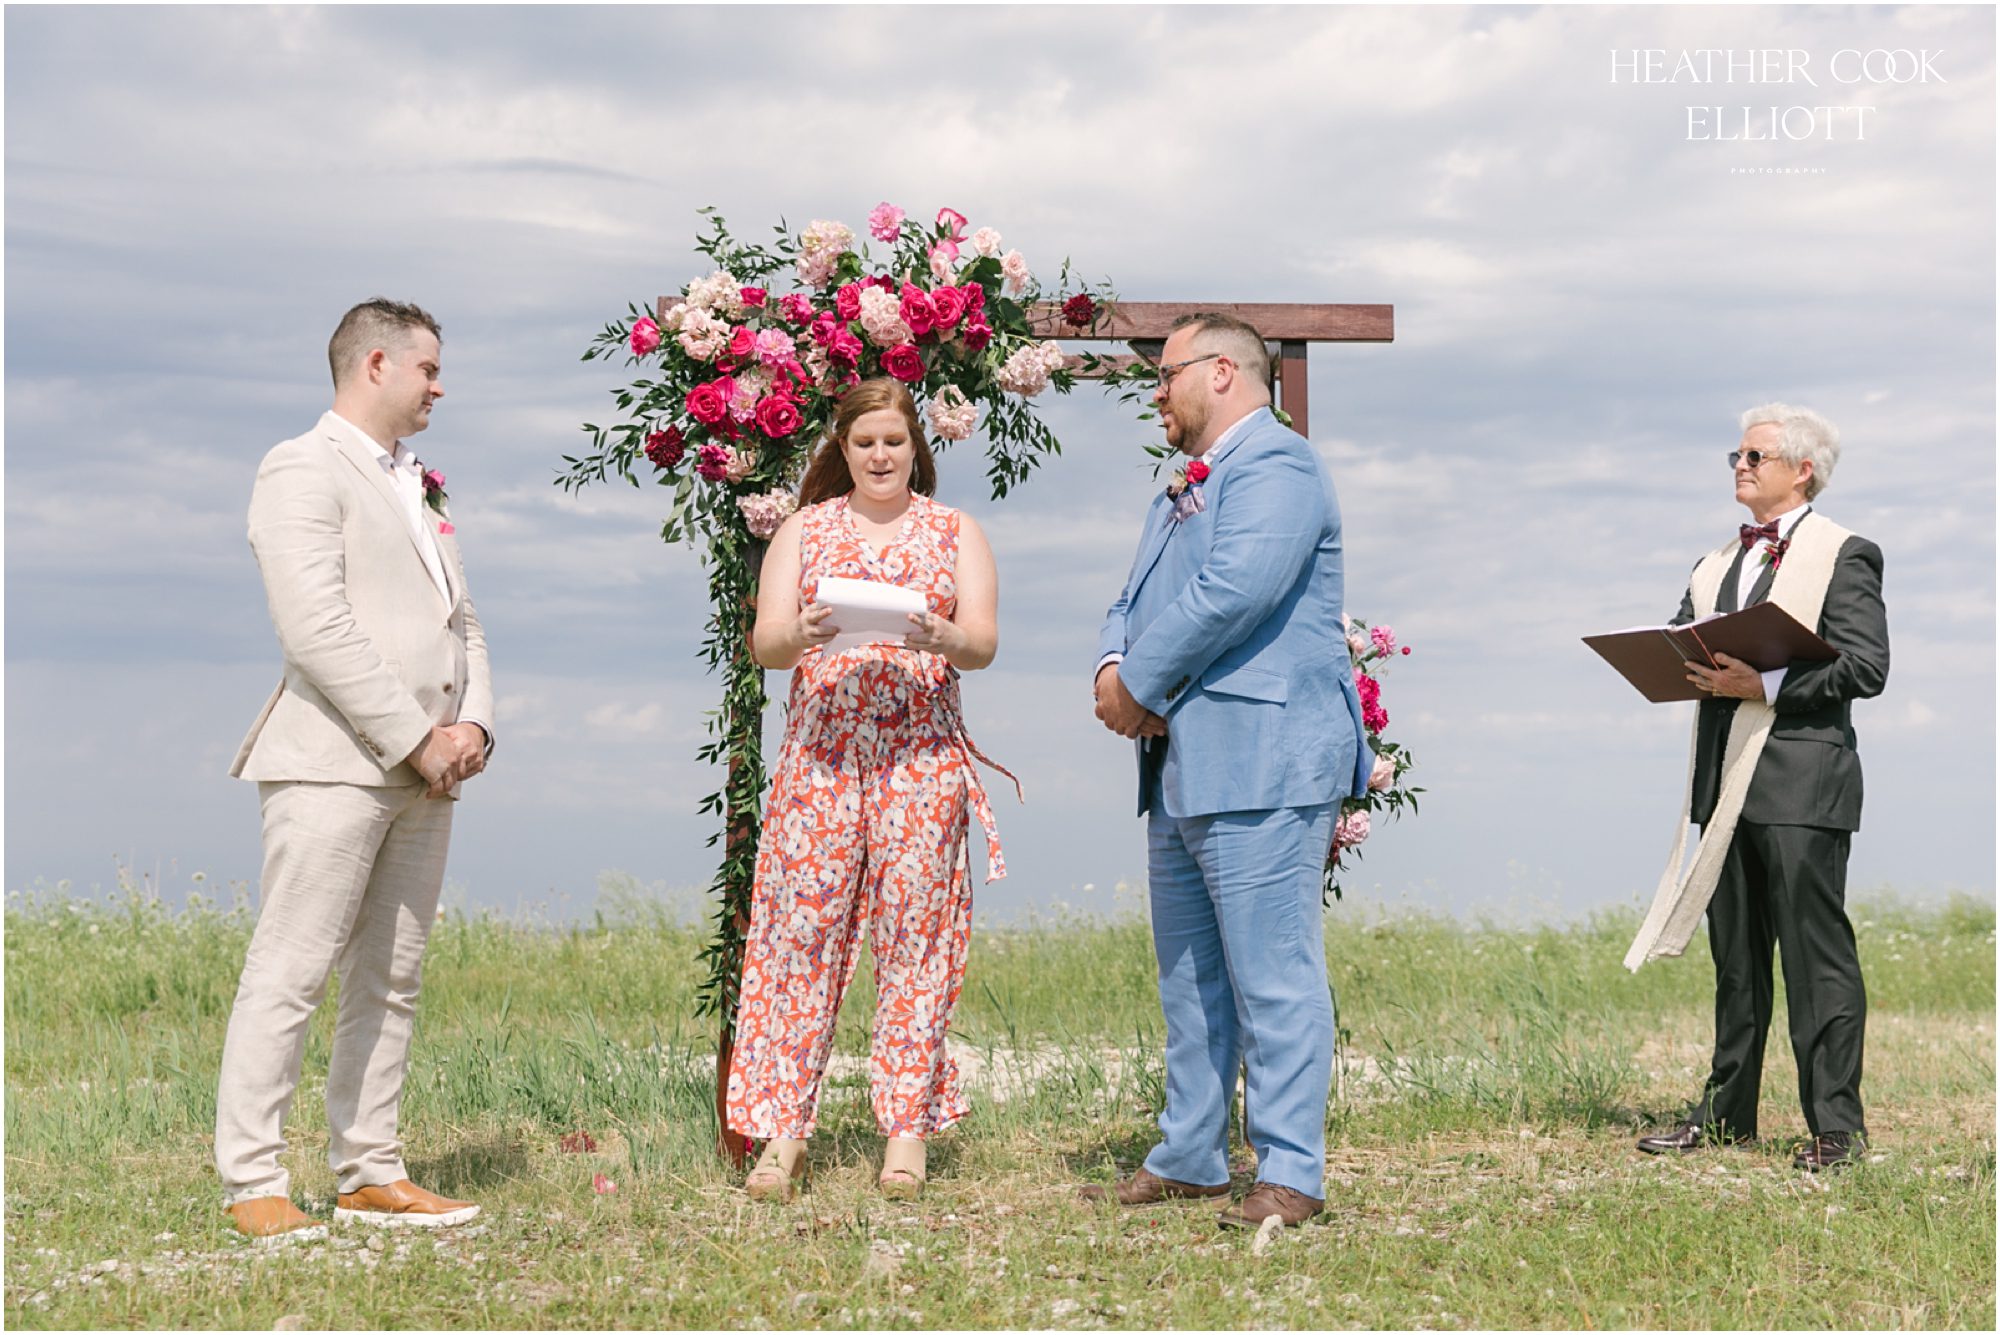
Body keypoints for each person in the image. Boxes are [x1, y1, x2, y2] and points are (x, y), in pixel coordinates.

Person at [1084, 312, 1372, 1229]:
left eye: (1163, 375)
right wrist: (1108, 667)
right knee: (1191, 976)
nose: (1155, 393)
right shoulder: (1180, 484)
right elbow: (1130, 596)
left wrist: (1138, 679)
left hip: (1264, 757)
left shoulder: (1280, 466)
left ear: (1220, 372)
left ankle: (1292, 1170)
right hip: (1183, 762)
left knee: (1273, 970)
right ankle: (1192, 1153)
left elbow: (1236, 590)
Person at [216, 299, 495, 1239]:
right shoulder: (299, 466)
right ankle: (252, 1176)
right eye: (429, 369)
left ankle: (370, 1168)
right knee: (291, 968)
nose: (439, 386)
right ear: (376, 363)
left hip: (430, 773)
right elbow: (315, 628)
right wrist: (417, 738)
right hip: (334, 763)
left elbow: (463, 623)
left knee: (391, 975)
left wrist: (474, 730)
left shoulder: (419, 485)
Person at [724, 377, 1016, 1202]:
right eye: (865, 443)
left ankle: (906, 1136)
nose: (881, 455)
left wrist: (944, 631)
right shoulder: (804, 529)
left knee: (917, 941)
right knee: (798, 939)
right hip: (822, 758)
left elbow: (984, 643)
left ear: (914, 446)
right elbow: (767, 644)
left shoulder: (956, 530)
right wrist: (804, 629)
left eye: (894, 441)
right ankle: (782, 1137)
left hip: (920, 758)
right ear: (842, 449)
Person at [1631, 404, 1887, 1172]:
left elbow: (1866, 667)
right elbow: (1686, 636)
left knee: (1816, 960)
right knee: (1736, 962)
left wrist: (1766, 681)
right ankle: (1726, 1115)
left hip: (1801, 783)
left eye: (1754, 454)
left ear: (1801, 468)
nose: (1738, 465)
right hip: (1724, 785)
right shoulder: (1714, 563)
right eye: (1735, 454)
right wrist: (1667, 658)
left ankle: (1836, 1128)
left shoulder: (1847, 553)